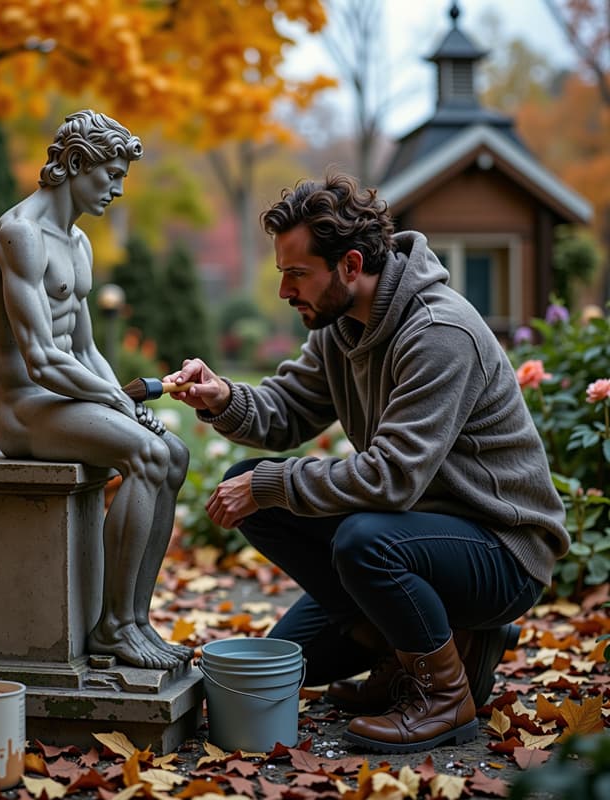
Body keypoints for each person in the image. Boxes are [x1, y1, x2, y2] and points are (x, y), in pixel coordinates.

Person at [165, 172, 569, 753]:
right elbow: (287, 410)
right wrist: (224, 397)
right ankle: (416, 650)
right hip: (411, 534)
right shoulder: (340, 328)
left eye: (296, 274)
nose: (284, 291)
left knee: (358, 537)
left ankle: (444, 696)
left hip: (499, 548)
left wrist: (275, 482)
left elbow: (392, 477)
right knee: (295, 643)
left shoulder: (439, 332)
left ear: (350, 265)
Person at [0, 110, 192, 671]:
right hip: (25, 410)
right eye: (111, 175)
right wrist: (115, 402)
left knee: (174, 453)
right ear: (75, 164)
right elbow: (44, 359)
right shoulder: (20, 235)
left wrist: (122, 399)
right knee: (144, 453)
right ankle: (113, 629)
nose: (119, 190)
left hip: (64, 401)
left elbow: (86, 350)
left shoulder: (78, 244)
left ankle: (137, 619)